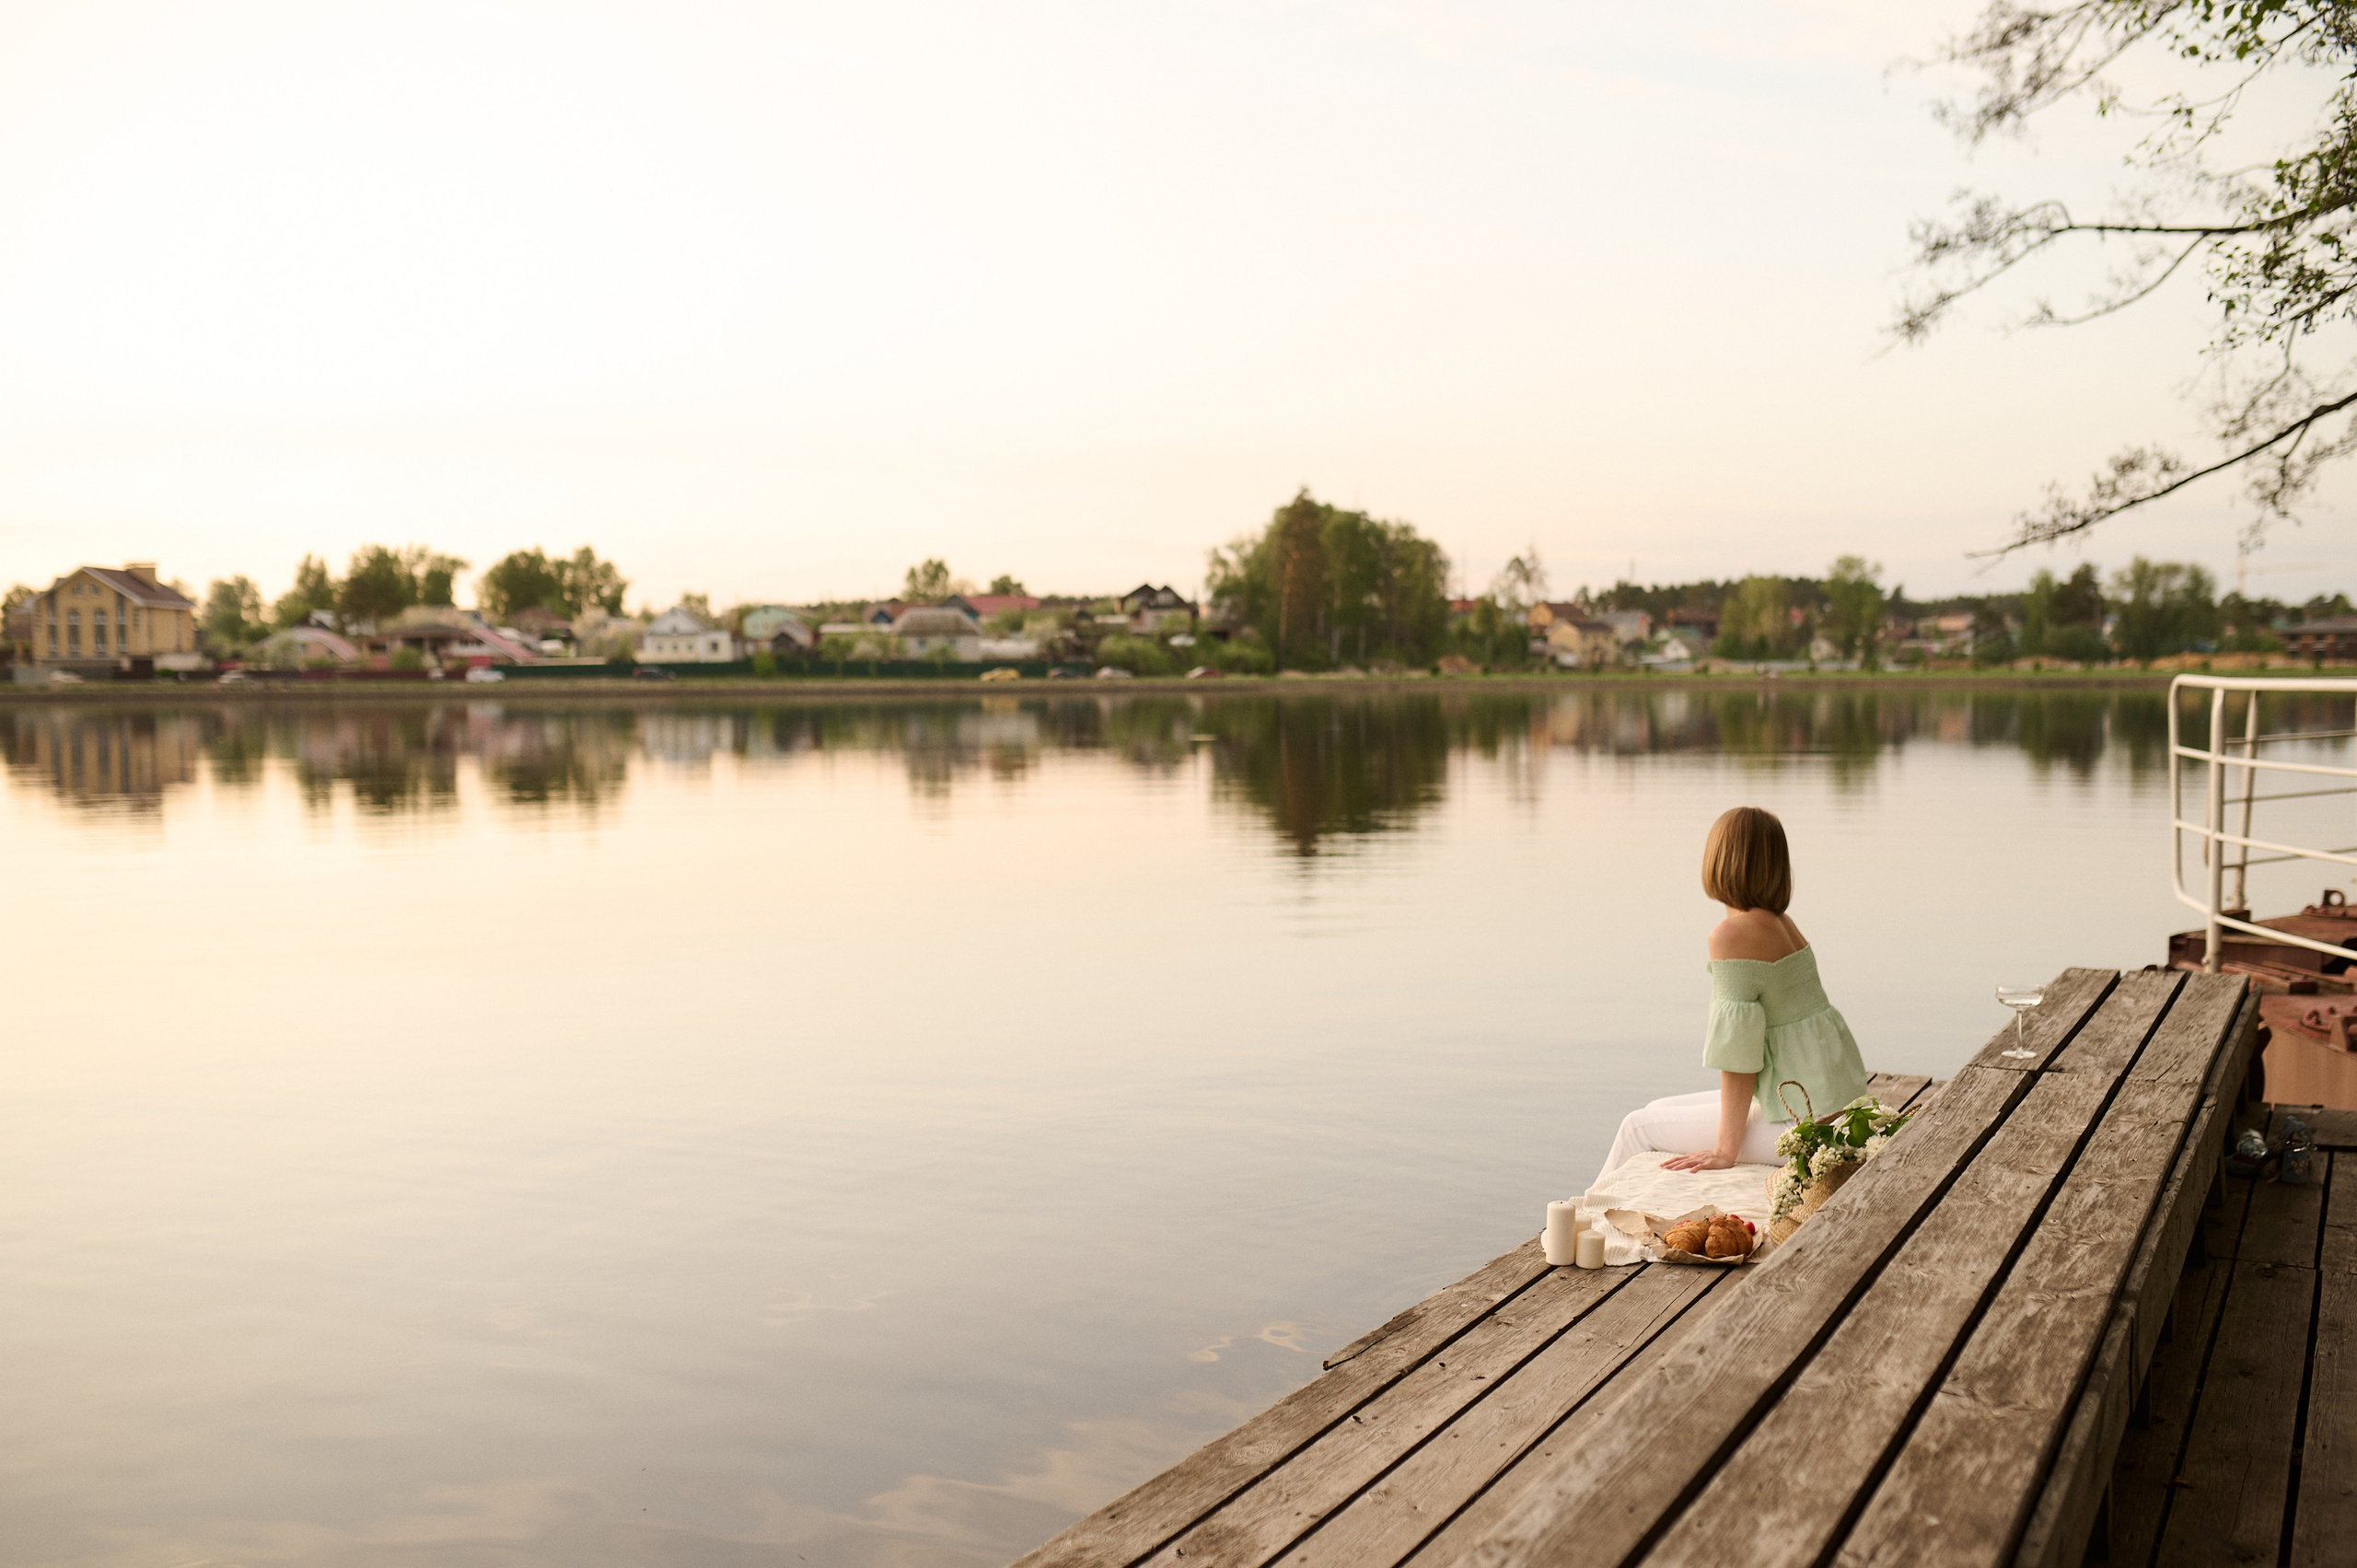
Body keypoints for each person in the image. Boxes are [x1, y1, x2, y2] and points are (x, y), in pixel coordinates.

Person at [1595, 806, 1870, 1185]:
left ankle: (1576, 1228)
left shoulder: (1732, 935)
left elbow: (1740, 1054)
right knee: (1656, 1110)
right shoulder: (1782, 924)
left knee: (1637, 1129)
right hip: (1832, 1107)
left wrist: (1726, 1150)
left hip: (1805, 1124)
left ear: (1720, 859)